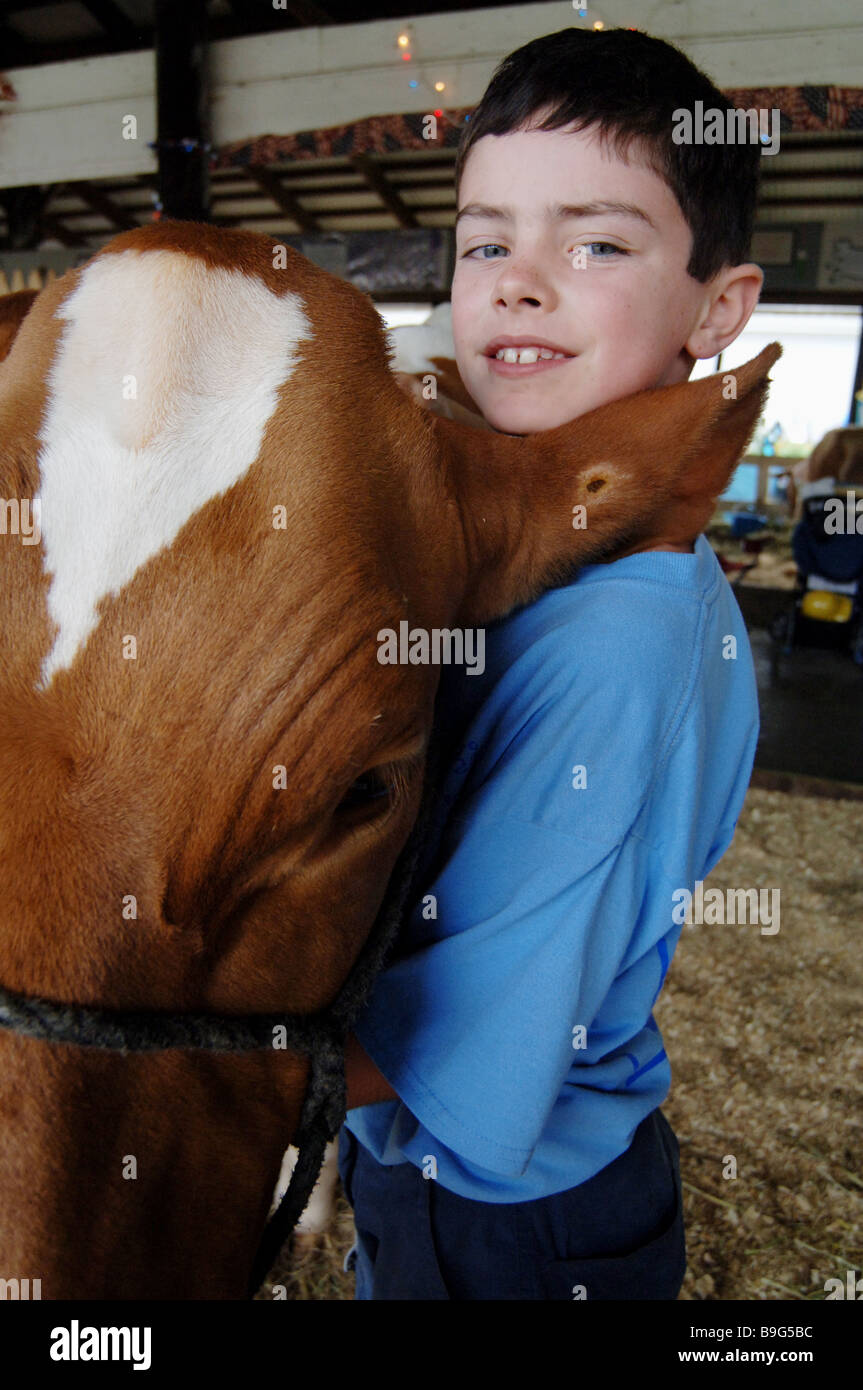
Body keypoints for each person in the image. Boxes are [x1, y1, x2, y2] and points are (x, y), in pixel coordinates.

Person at [338, 24, 764, 1300]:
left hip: (513, 1228)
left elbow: (462, 1055)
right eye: (485, 241)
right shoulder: (563, 567)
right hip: (439, 1181)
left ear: (716, 308)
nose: (517, 283)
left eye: (593, 243)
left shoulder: (612, 643)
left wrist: (172, 1071)